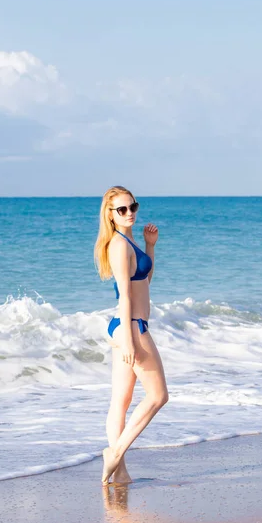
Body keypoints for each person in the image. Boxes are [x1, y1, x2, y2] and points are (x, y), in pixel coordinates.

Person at [94, 186, 169, 485]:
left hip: (127, 325)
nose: (130, 214)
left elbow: (143, 282)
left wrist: (151, 247)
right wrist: (128, 338)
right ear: (110, 215)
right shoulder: (118, 245)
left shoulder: (129, 239)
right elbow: (125, 296)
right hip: (132, 326)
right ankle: (114, 454)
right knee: (159, 395)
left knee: (121, 402)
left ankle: (120, 473)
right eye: (122, 210)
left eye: (133, 207)